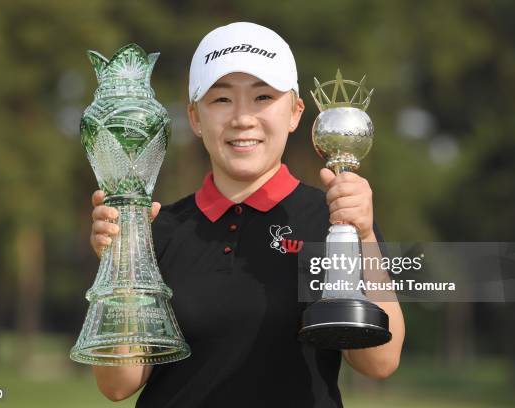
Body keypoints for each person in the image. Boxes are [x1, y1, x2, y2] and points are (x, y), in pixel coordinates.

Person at [89, 21, 404, 408]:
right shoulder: (160, 229)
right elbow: (117, 385)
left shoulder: (332, 220)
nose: (242, 118)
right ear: (194, 118)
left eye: (262, 98)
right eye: (221, 100)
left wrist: (365, 235)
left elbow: (380, 361)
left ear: (295, 112)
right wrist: (122, 262)